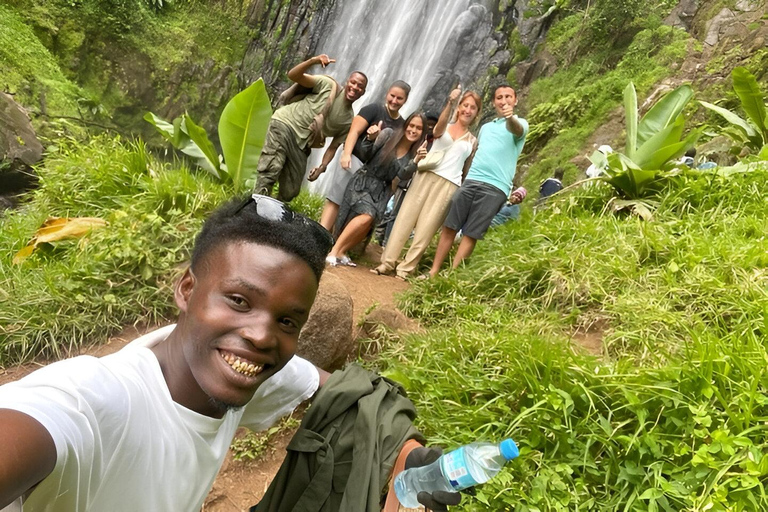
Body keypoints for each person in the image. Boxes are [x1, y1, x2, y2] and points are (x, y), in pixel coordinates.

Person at [0, 195, 337, 511]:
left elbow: (326, 383)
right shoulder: (95, 400)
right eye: (239, 301)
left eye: (287, 321)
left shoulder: (249, 368)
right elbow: (37, 422)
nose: (263, 337)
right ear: (187, 289)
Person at [373, 86, 481, 279]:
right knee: (405, 219)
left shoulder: (473, 141)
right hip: (425, 175)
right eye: (465, 105)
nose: (467, 110)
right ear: (459, 108)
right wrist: (450, 101)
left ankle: (406, 269)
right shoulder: (444, 126)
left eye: (472, 107)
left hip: (449, 184)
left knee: (426, 228)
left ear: (476, 113)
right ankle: (387, 262)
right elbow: (438, 130)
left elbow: (466, 167)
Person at [428, 84, 528, 278]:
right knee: (450, 225)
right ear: (493, 102)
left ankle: (451, 277)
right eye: (499, 97)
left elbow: (515, 129)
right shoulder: (486, 128)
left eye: (508, 97)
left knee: (471, 232)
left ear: (515, 100)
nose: (504, 100)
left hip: (496, 187)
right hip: (472, 180)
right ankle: (433, 272)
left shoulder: (520, 124)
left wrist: (510, 117)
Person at [255, 54, 368, 202]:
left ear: (363, 92)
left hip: (301, 145)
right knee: (270, 171)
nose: (355, 88)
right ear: (347, 82)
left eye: (360, 86)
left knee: (290, 191)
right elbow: (293, 75)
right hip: (285, 123)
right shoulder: (327, 85)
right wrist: (313, 61)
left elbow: (333, 147)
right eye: (353, 82)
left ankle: (271, 213)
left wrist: (322, 167)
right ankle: (253, 207)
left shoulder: (348, 121)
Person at [326, 112, 428, 267]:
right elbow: (366, 154)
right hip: (363, 182)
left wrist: (416, 161)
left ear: (422, 132)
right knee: (366, 216)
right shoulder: (388, 135)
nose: (413, 130)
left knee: (368, 222)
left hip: (381, 191)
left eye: (419, 128)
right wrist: (370, 139)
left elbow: (401, 175)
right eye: (411, 125)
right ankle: (334, 251)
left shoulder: (412, 154)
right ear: (406, 125)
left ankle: (341, 251)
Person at [316, 81, 411, 231]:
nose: (394, 101)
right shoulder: (373, 109)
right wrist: (346, 154)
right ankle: (320, 232)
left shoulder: (402, 125)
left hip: (371, 175)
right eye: (392, 96)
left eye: (399, 98)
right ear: (387, 93)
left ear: (405, 100)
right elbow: (354, 131)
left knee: (354, 208)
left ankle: (334, 240)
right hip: (355, 159)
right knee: (337, 198)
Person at [376, 110, 440, 247]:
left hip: (408, 184)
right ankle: (378, 238)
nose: (430, 128)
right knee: (388, 212)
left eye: (431, 126)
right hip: (390, 182)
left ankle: (385, 243)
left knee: (393, 213)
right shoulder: (394, 137)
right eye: (427, 125)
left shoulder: (432, 144)